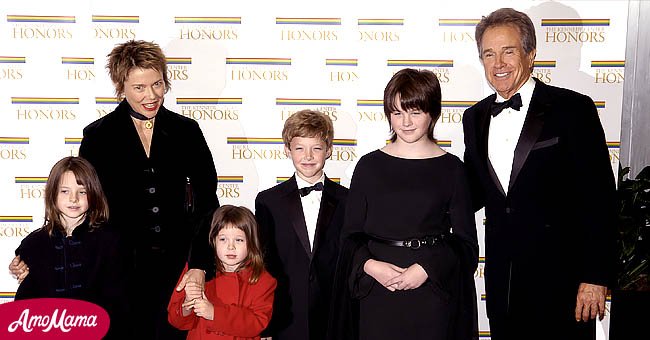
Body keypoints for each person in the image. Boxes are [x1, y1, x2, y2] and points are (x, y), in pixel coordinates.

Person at [9, 40, 220, 339]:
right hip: (117, 279)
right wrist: (35, 256)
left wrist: (199, 266)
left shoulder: (188, 132)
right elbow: (82, 208)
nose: (152, 95)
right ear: (121, 87)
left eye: (158, 84)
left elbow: (208, 205)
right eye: (139, 88)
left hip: (180, 275)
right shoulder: (97, 137)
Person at [462, 8, 617, 340]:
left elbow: (599, 197)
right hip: (503, 284)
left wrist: (595, 276)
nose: (498, 63)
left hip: (564, 283)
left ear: (530, 55)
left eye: (508, 51)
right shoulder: (474, 118)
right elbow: (469, 192)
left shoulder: (573, 109)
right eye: (489, 54)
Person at [340, 68, 479, 340]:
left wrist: (428, 268)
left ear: (433, 113)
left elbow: (466, 245)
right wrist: (370, 266)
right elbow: (349, 237)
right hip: (377, 292)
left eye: (415, 112)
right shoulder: (368, 166)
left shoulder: (452, 169)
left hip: (431, 294)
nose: (405, 122)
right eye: (397, 112)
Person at [255, 109, 348, 340]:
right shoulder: (268, 201)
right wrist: (266, 323)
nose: (308, 156)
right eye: (299, 148)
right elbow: (263, 262)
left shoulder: (349, 200)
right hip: (285, 314)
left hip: (335, 316)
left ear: (328, 150)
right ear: (287, 150)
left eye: (316, 148)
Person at [13, 156, 128, 339]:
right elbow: (25, 304)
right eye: (65, 191)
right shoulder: (34, 244)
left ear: (94, 194)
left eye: (82, 192)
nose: (73, 199)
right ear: (52, 194)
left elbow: (119, 299)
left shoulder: (110, 241)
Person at [168, 205, 276, 339]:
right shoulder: (197, 273)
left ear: (252, 243)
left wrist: (215, 314)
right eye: (223, 239)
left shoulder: (263, 280)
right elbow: (175, 320)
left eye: (239, 240)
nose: (231, 246)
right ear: (213, 241)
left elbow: (258, 323)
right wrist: (187, 304)